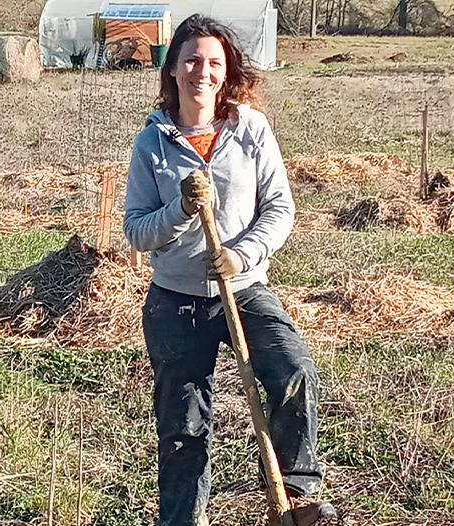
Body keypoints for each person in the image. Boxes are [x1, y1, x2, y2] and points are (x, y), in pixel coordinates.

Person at [123, 14, 336, 526]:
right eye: (192, 60)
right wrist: (177, 209)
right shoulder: (151, 144)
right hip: (175, 301)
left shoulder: (250, 128)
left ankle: (296, 497)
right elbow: (136, 231)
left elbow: (279, 209)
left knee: (292, 371)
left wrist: (241, 255)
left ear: (227, 70)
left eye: (214, 62)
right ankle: (181, 520)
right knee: (184, 423)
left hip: (243, 288)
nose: (203, 71)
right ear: (172, 68)